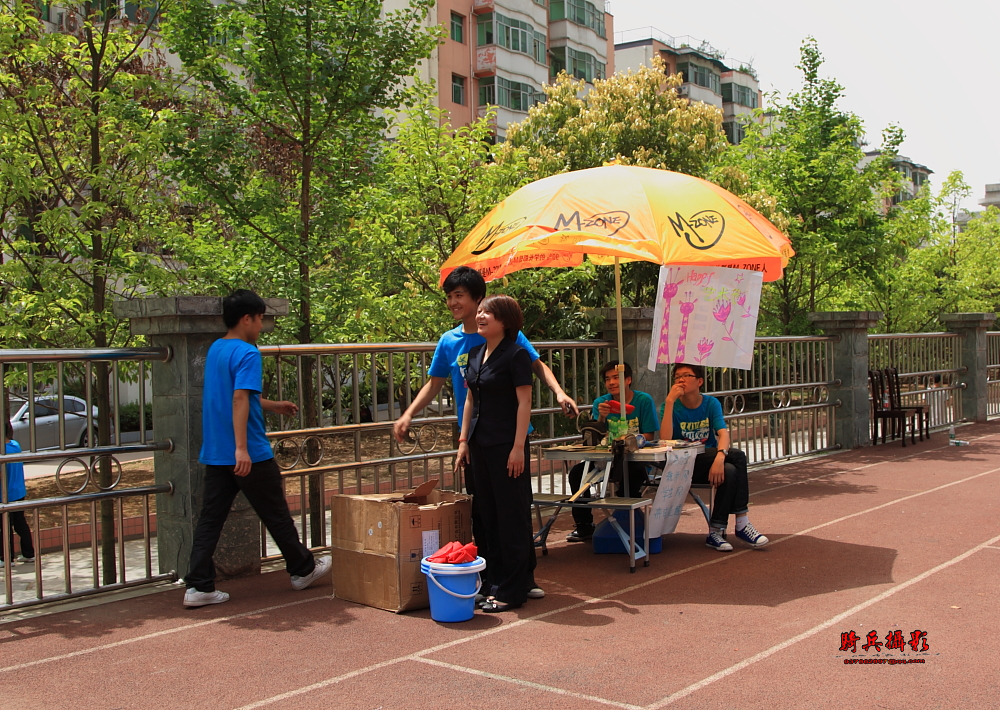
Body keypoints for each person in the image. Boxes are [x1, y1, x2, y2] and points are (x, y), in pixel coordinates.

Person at [393, 266, 578, 599]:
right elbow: (437, 385)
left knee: (514, 509)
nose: (454, 302)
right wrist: (409, 414)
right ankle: (491, 577)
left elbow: (534, 368)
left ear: (481, 300)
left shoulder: (506, 339)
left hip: (509, 435)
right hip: (475, 435)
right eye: (449, 296)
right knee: (485, 509)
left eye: (460, 296)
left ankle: (522, 578)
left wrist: (559, 392)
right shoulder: (454, 343)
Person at [183, 290, 331, 607]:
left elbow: (239, 397)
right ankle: (303, 569)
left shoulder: (216, 350)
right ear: (248, 318)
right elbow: (239, 399)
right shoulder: (249, 353)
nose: (261, 325)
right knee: (276, 514)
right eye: (261, 318)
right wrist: (242, 449)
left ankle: (197, 586)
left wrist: (273, 406)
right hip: (247, 451)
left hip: (217, 453)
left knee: (210, 520)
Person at [455, 295, 534, 612]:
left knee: (510, 516)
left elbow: (524, 404)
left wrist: (518, 448)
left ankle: (513, 590)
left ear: (506, 321)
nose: (481, 315)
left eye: (489, 312)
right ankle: (490, 582)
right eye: (481, 311)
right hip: (478, 445)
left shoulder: (517, 355)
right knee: (485, 515)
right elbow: (470, 400)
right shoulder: (473, 354)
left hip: (506, 446)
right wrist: (463, 441)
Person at [660, 363, 768, 551]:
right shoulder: (670, 406)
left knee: (730, 470)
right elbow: (665, 440)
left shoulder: (710, 404)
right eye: (677, 377)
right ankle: (741, 521)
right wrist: (669, 403)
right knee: (739, 456)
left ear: (699, 381)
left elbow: (723, 434)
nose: (681, 380)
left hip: (707, 462)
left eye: (686, 375)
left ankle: (716, 531)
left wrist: (719, 459)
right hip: (682, 463)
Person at [565, 361, 660, 543]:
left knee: (632, 473)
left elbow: (649, 434)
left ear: (628, 379)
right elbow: (594, 435)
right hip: (605, 458)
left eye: (616, 378)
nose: (611, 382)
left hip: (633, 457)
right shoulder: (601, 403)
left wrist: (630, 441)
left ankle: (628, 521)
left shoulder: (643, 400)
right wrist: (601, 417)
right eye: (608, 379)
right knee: (577, 474)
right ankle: (584, 526)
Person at [2, 421, 35, 568]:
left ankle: (6, 558)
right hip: (19, 492)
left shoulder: (3, 452)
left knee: (4, 526)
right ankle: (28, 554)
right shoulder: (15, 445)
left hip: (5, 495)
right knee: (20, 523)